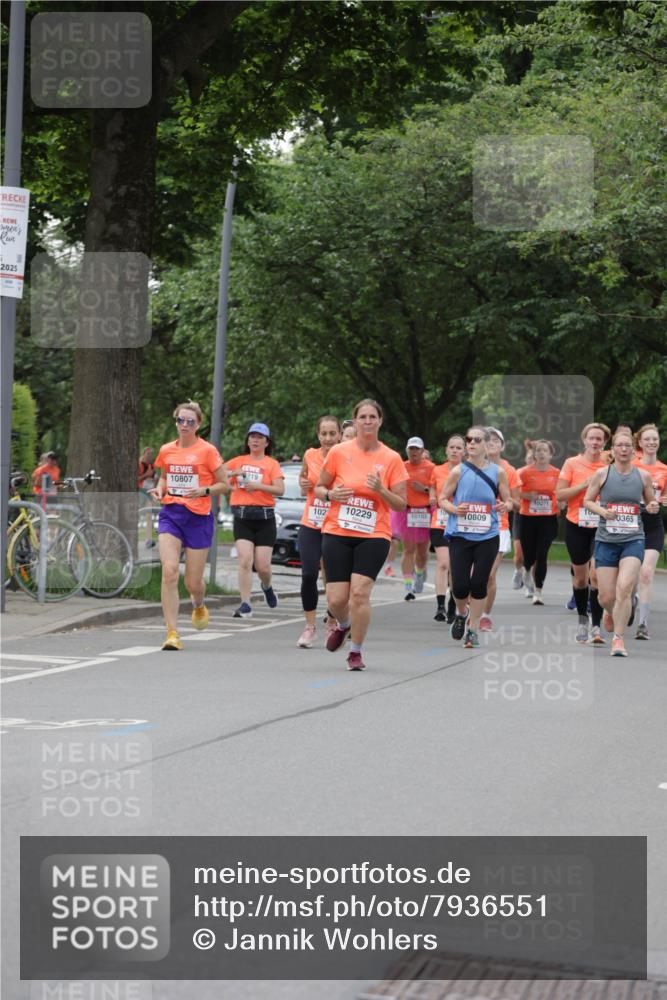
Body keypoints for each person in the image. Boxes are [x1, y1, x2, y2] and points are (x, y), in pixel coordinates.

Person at [316, 398, 407, 671]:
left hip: (374, 534)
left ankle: (355, 651)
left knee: (359, 594)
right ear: (354, 421)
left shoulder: (390, 458)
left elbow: (401, 504)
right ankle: (343, 624)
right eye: (362, 417)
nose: (367, 421)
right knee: (336, 600)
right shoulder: (339, 452)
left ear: (380, 421)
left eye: (372, 417)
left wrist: (381, 489)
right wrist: (331, 494)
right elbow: (319, 487)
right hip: (337, 530)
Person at [151, 401, 228, 651]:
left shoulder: (207, 451)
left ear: (198, 425)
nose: (184, 425)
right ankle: (172, 633)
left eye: (190, 422)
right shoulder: (166, 450)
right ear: (176, 421)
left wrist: (204, 490)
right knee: (170, 570)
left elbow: (224, 484)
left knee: (192, 583)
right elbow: (163, 476)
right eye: (180, 420)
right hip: (171, 514)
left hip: (198, 517)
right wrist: (161, 488)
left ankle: (198, 603)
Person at [583, 429, 658, 656]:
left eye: (627, 446)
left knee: (624, 587)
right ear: (613, 450)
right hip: (606, 540)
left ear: (633, 451)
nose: (624, 449)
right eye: (619, 445)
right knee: (606, 596)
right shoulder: (602, 475)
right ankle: (611, 610)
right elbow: (587, 501)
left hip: (633, 539)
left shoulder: (643, 476)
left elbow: (650, 502)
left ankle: (618, 639)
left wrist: (653, 506)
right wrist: (602, 512)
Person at [440, 426, 513, 648]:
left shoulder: (498, 472)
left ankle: (472, 630)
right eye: (468, 440)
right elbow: (442, 499)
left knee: (479, 584)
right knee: (460, 586)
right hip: (461, 535)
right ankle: (462, 614)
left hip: (487, 535)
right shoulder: (458, 471)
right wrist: (454, 509)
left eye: (476, 440)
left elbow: (510, 501)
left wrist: (504, 505)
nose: (471, 443)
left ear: (486, 444)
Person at [557, 422, 611, 644]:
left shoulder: (610, 464)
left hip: (602, 526)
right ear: (584, 440)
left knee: (596, 575)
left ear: (605, 442)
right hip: (576, 524)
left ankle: (596, 627)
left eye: (600, 439)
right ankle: (582, 620)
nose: (596, 442)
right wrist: (584, 485)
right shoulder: (572, 463)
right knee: (580, 579)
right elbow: (559, 494)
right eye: (592, 438)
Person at [225, 422, 285, 618]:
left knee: (263, 566)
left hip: (264, 518)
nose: (255, 440)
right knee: (244, 560)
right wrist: (231, 476)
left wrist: (258, 486)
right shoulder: (238, 461)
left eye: (260, 437)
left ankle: (267, 586)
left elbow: (280, 490)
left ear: (267, 442)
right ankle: (245, 604)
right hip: (242, 517)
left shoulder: (272, 464)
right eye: (252, 436)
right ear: (248, 441)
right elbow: (219, 475)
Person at [296, 415, 341, 648]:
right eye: (323, 434)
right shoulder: (309, 454)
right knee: (308, 573)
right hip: (311, 522)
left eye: (332, 433)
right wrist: (304, 483)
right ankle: (310, 627)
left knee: (332, 578)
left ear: (340, 435)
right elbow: (304, 478)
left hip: (335, 525)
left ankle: (332, 622)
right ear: (318, 435)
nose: (328, 438)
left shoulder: (345, 457)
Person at [478, 427, 519, 630]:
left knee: (489, 574)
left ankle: (485, 614)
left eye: (496, 440)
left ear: (502, 445)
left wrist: (507, 504)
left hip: (499, 527)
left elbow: (517, 502)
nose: (491, 442)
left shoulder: (509, 471)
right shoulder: (471, 467)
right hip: (474, 525)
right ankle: (469, 609)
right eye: (487, 439)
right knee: (471, 574)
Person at [632, 424, 667, 639]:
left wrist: (663, 501)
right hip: (631, 524)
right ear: (640, 443)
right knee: (630, 575)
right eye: (647, 439)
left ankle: (642, 624)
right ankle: (630, 600)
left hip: (653, 525)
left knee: (646, 573)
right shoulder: (631, 467)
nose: (652, 443)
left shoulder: (665, 469)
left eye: (655, 439)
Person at [517, 440, 560, 605]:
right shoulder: (524, 472)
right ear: (534, 454)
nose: (541, 453)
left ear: (551, 454)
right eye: (538, 451)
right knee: (528, 555)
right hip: (528, 518)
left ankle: (538, 591)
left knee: (542, 554)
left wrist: (560, 502)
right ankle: (527, 570)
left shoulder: (557, 473)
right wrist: (526, 496)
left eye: (545, 451)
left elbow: (561, 492)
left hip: (548, 518)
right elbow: (513, 490)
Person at [430, 434, 465, 622]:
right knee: (443, 563)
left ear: (464, 452)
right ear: (446, 450)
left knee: (455, 567)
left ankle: (454, 604)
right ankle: (440, 606)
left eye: (459, 448)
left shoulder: (468, 471)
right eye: (452, 447)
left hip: (460, 523)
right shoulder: (437, 470)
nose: (454, 450)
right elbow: (432, 490)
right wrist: (432, 497)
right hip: (440, 522)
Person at [394, 437, 434, 600]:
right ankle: (408, 585)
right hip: (407, 512)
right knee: (409, 549)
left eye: (417, 449)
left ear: (422, 451)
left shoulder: (431, 468)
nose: (414, 452)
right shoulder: (401, 467)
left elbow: (437, 488)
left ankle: (419, 573)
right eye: (411, 448)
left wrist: (424, 489)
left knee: (423, 552)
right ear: (407, 450)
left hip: (426, 511)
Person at [512, 438, 533, 589]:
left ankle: (529, 578)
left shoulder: (546, 475)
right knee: (519, 554)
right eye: (530, 458)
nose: (532, 461)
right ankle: (518, 571)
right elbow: (514, 494)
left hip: (539, 518)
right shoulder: (519, 474)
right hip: (521, 516)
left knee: (534, 554)